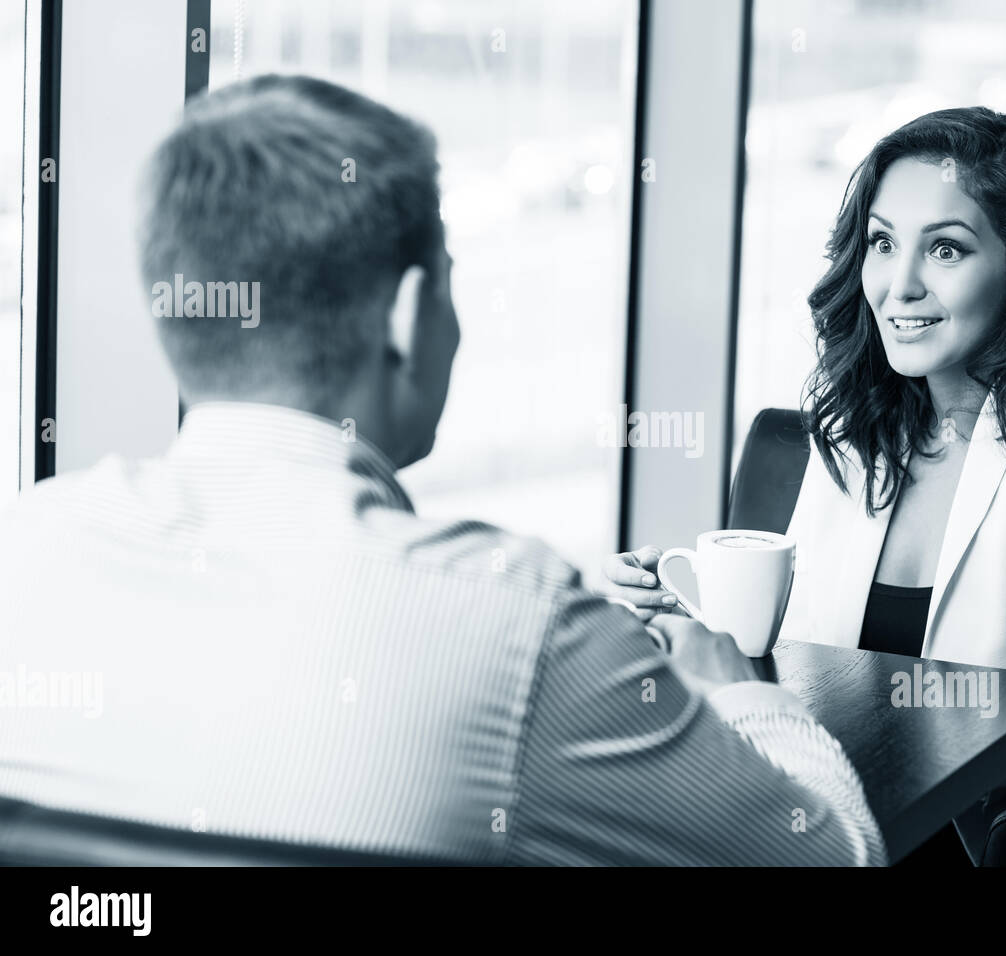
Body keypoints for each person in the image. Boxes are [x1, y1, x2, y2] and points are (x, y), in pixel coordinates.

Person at [0, 75, 887, 866]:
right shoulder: (519, 622)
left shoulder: (24, 547)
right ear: (411, 314)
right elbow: (840, 856)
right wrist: (737, 699)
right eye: (453, 283)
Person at [603, 106, 1006, 864]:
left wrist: (979, 756)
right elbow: (805, 659)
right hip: (818, 813)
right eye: (883, 243)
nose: (900, 285)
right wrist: (682, 624)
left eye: (946, 250)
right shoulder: (856, 429)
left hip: (964, 835)